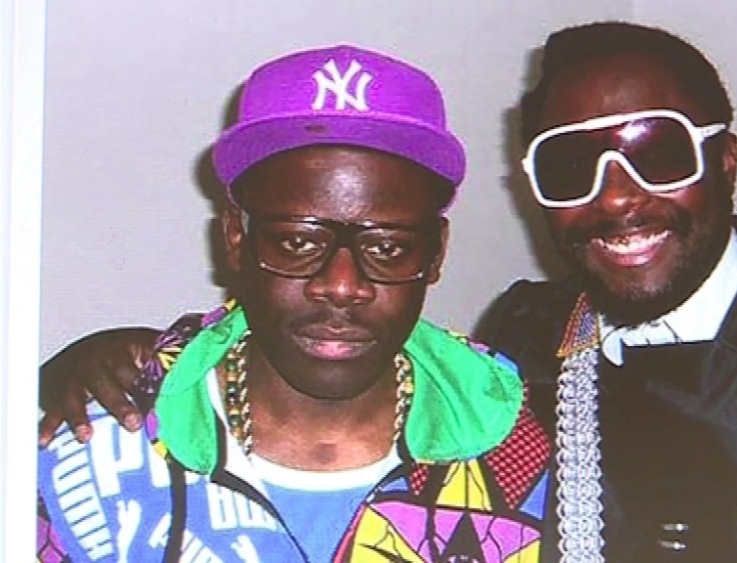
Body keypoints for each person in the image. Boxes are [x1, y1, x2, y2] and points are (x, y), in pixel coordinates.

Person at [39, 21, 737, 562]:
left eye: (657, 150)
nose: (619, 195)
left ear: (725, 160)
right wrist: (110, 358)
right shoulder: (525, 344)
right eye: (573, 164)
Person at [36, 44, 553, 562]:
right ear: (235, 238)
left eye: (387, 248)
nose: (342, 286)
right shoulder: (91, 454)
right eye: (298, 241)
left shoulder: (535, 450)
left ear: (436, 252)